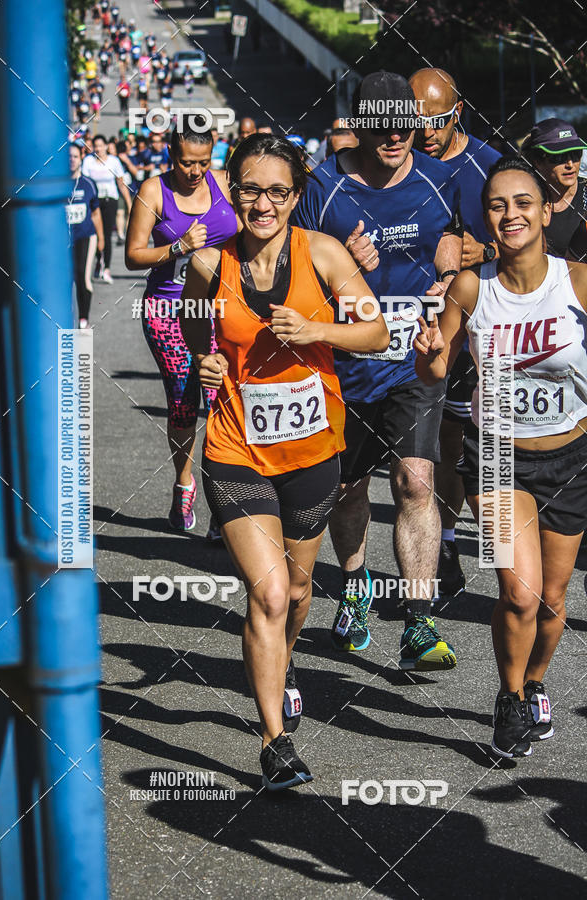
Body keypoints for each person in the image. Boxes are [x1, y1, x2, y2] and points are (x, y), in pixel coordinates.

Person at [179, 134, 389, 788]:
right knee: (268, 592)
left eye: (276, 191)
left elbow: (377, 331)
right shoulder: (212, 265)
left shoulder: (321, 254)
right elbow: (192, 324)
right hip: (236, 448)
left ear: (296, 196)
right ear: (232, 192)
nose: (262, 203)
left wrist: (320, 330)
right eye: (249, 190)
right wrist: (205, 359)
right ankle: (276, 743)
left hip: (310, 452)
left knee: (297, 593)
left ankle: (283, 658)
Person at [414, 156, 587, 757]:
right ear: (485, 219)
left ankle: (537, 681)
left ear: (545, 211)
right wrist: (430, 349)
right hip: (495, 456)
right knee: (519, 593)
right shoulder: (471, 287)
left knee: (555, 601)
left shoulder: (580, 280)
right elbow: (435, 370)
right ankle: (509, 699)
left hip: (572, 456)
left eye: (522, 203)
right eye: (497, 205)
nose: (510, 214)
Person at [292, 71, 461, 669]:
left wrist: (457, 265)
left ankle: (419, 621)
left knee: (416, 482)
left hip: (410, 363)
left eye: (405, 123)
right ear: (358, 125)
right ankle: (357, 586)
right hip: (340, 365)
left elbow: (492, 246)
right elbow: (287, 268)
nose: (394, 136)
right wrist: (335, 266)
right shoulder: (323, 185)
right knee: (346, 488)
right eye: (380, 124)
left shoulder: (443, 181)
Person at [410, 67, 501, 597]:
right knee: (440, 445)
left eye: (438, 120)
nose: (427, 131)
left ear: (458, 110)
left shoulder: (488, 166)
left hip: (483, 330)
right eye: (417, 120)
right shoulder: (399, 165)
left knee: (489, 446)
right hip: (423, 332)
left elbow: (532, 244)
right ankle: (444, 547)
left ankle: (507, 559)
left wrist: (485, 251)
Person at [125, 124, 238, 534]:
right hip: (168, 309)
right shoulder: (154, 192)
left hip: (221, 307)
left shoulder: (226, 183)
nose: (195, 172)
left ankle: (222, 505)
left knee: (226, 400)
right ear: (172, 156)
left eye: (203, 163)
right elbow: (133, 256)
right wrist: (179, 247)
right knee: (185, 400)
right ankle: (184, 481)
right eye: (186, 162)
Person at [521, 118, 587, 257]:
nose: (570, 164)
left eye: (575, 154)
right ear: (538, 161)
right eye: (559, 157)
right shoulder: (522, 202)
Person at [82, 134, 133, 283]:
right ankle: (99, 260)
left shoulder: (114, 161)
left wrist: (129, 203)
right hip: (94, 202)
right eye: (95, 146)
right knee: (97, 235)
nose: (98, 148)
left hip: (110, 200)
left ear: (106, 146)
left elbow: (121, 183)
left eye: (100, 145)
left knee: (107, 235)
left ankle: (107, 269)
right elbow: (84, 183)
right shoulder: (88, 162)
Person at [68, 143, 104, 328]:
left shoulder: (88, 184)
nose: (72, 160)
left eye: (75, 156)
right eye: (69, 157)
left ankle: (84, 319)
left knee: (82, 276)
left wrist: (101, 239)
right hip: (64, 240)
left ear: (81, 157)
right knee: (67, 277)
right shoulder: (59, 184)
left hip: (86, 236)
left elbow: (96, 214)